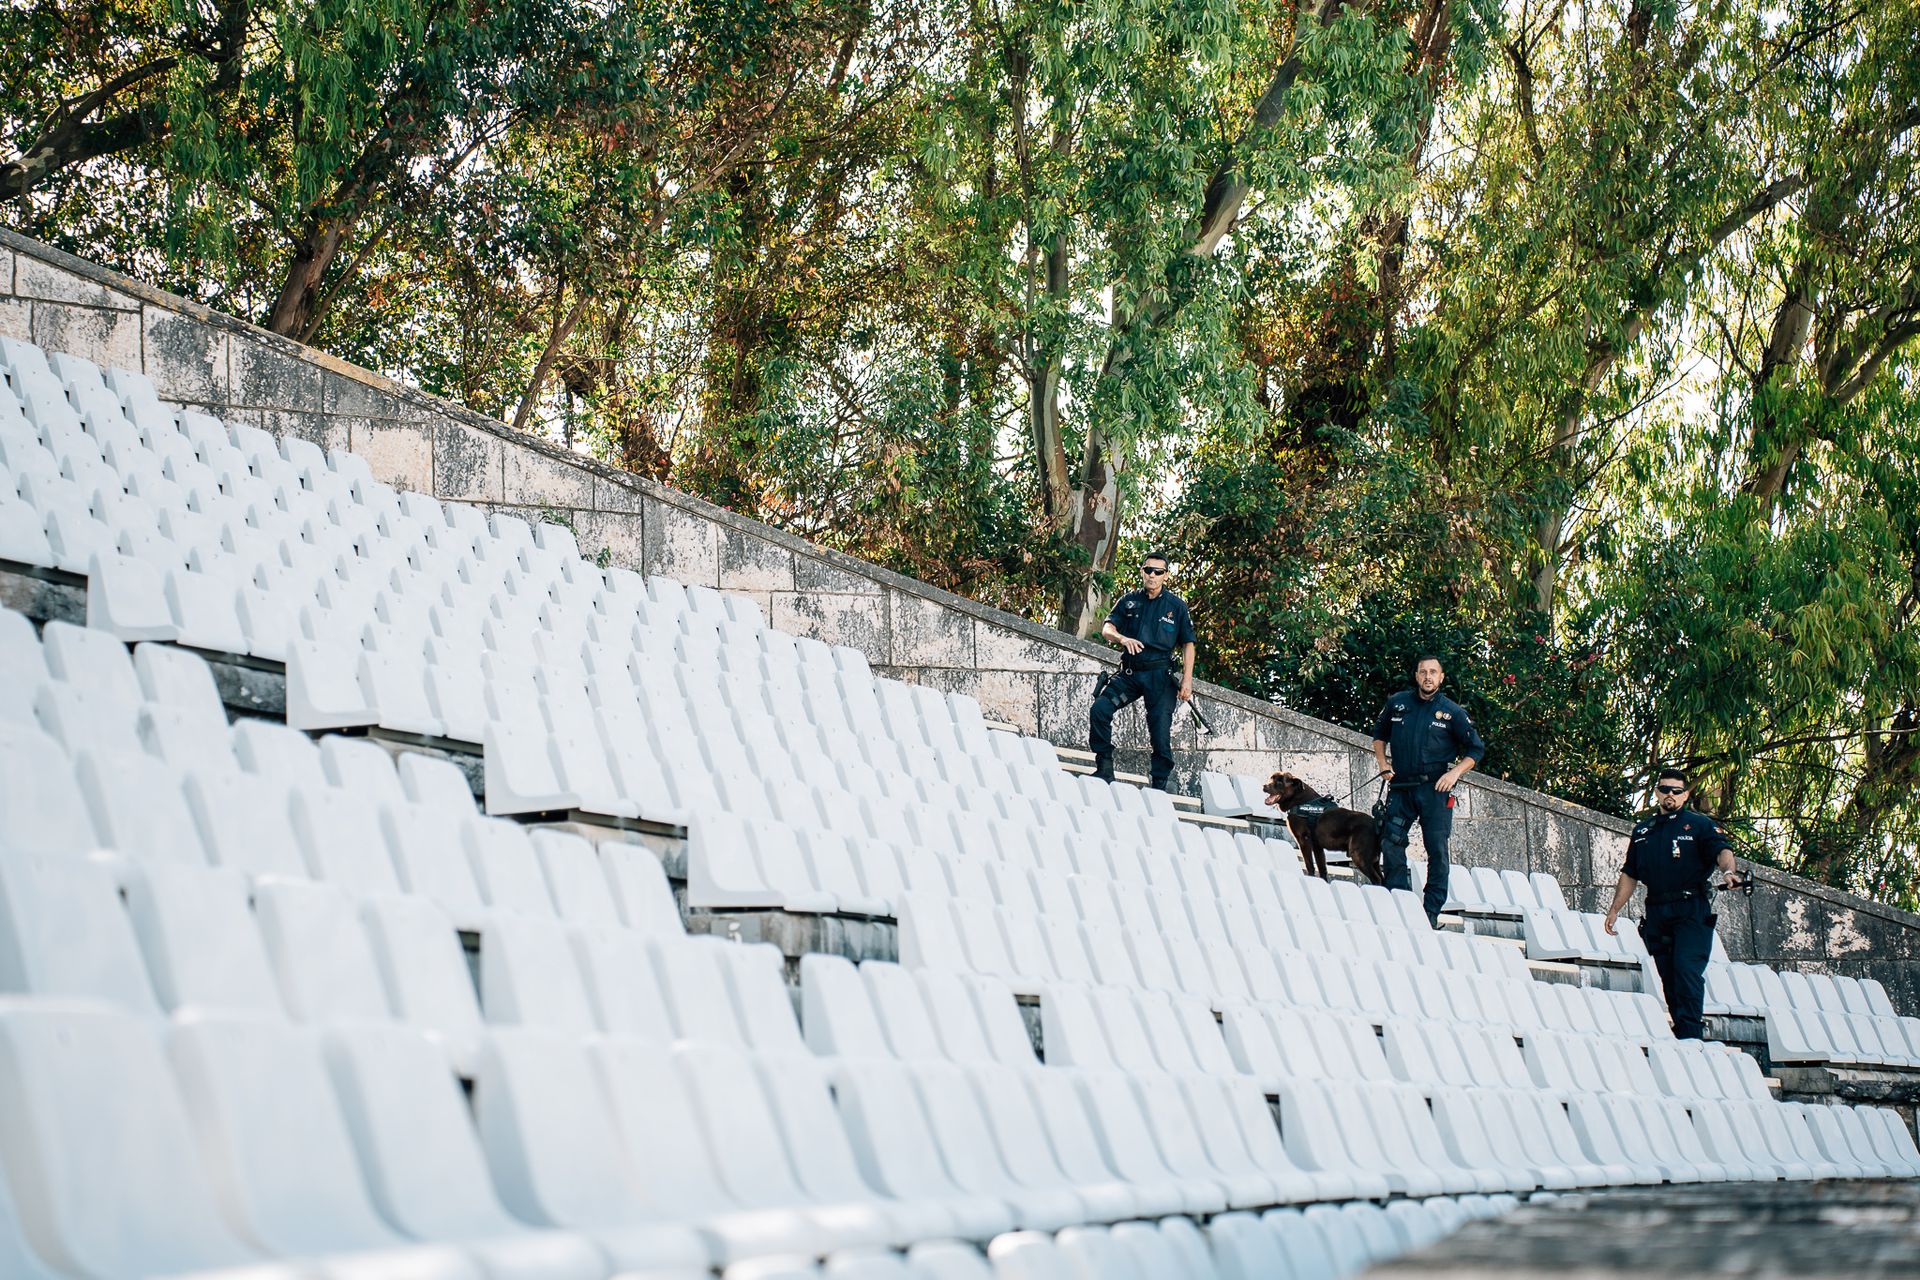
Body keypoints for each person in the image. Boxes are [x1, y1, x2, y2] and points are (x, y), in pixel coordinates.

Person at [1603, 767, 1738, 1040]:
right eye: (1665, 789)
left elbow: (1722, 850)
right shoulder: (1643, 830)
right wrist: (1615, 909)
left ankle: (1691, 1033)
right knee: (1669, 975)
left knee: (1687, 969)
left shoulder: (1699, 824)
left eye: (1676, 791)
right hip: (1657, 911)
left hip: (1691, 908)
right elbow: (1630, 872)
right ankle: (1682, 1030)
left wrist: (1728, 872)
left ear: (1685, 795)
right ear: (1656, 792)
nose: (1670, 795)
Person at [1370, 654, 1486, 927]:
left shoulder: (1452, 712)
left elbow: (1475, 749)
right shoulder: (1397, 703)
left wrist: (1454, 772)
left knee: (1437, 850)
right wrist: (1383, 763)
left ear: (1441, 677)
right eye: (1423, 672)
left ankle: (1430, 914)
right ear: (1416, 675)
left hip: (1435, 789)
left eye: (1433, 672)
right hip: (1401, 785)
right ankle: (1398, 901)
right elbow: (1378, 734)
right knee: (1391, 841)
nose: (1428, 677)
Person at [1089, 551, 1196, 791]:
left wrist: (1187, 680)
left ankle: (1159, 783)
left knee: (1159, 730)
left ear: (1165, 575)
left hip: (1160, 675)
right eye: (1148, 570)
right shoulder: (1129, 601)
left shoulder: (1176, 606)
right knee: (1100, 709)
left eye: (1158, 572)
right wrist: (1121, 638)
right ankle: (1104, 767)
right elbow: (1107, 628)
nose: (1152, 575)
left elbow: (1188, 644)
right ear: (1142, 571)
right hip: (1131, 672)